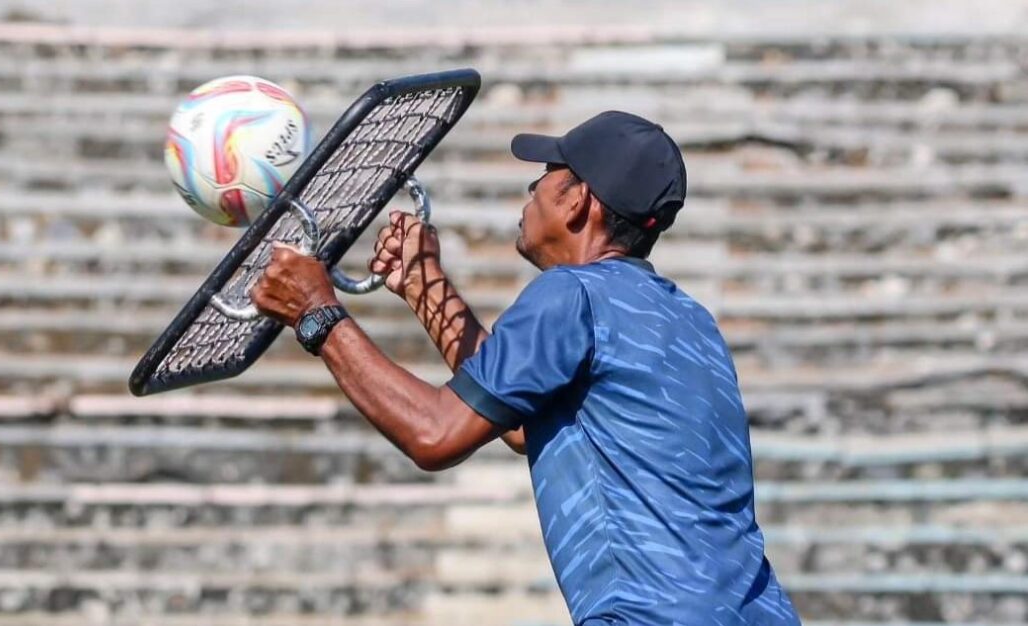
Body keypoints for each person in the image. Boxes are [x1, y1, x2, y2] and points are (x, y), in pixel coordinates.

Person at [251, 111, 801, 625]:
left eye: (546, 174)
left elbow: (434, 433)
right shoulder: (688, 317)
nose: (531, 189)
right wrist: (425, 287)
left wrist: (317, 314)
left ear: (578, 201)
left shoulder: (571, 293)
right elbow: (523, 424)